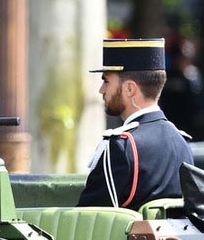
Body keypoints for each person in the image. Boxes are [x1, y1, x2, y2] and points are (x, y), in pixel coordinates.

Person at [78, 38, 194, 210]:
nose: (101, 90)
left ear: (130, 89)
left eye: (106, 81)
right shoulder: (182, 142)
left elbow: (87, 218)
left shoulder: (121, 146)